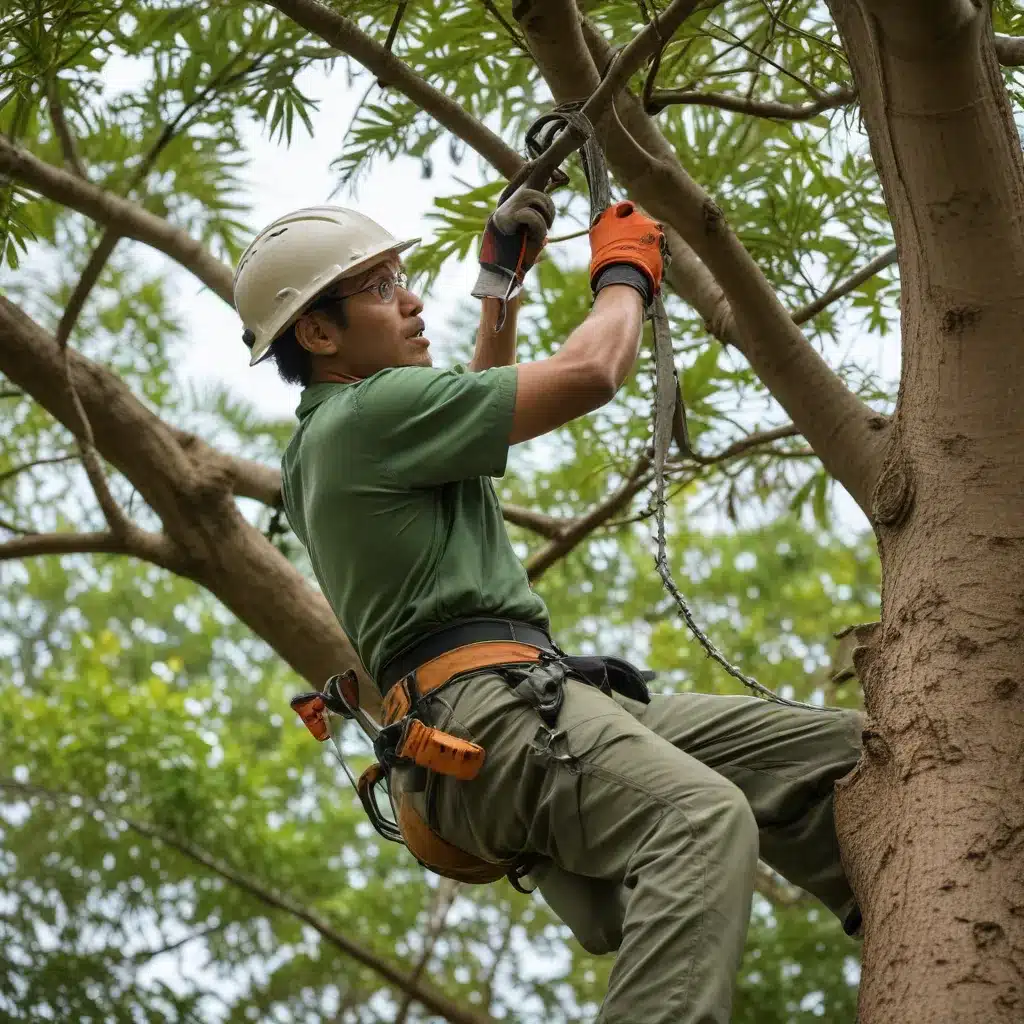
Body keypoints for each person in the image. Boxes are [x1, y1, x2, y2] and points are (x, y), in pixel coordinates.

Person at [232, 191, 864, 1024]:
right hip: (490, 716)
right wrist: (625, 275)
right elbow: (590, 374)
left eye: (401, 278)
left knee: (841, 753)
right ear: (318, 333)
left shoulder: (361, 430)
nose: (414, 300)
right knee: (699, 820)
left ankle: (916, 901)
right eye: (382, 288)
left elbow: (482, 398)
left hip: (524, 706)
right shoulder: (365, 416)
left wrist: (500, 285)